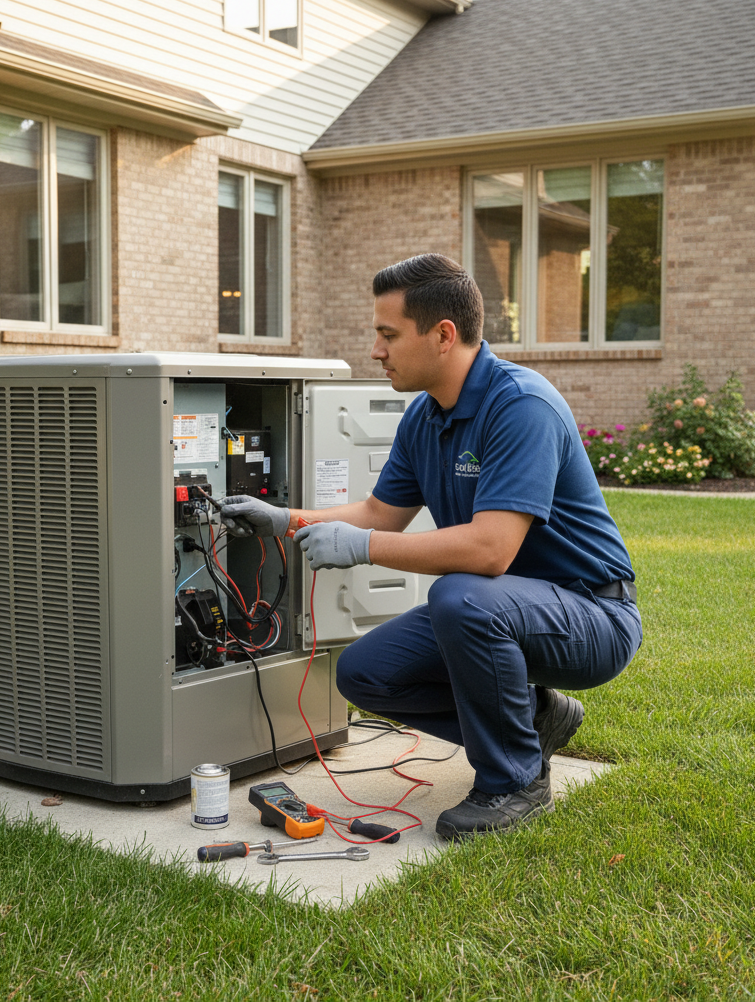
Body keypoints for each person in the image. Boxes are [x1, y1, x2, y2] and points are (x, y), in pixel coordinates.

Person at [220, 253, 642, 840]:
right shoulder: (424, 416)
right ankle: (537, 719)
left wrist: (362, 547)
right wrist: (283, 519)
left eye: (388, 335)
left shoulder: (520, 405)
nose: (377, 350)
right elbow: (378, 514)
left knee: (461, 596)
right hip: (509, 607)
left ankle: (514, 782)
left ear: (443, 335)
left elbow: (490, 550)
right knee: (366, 674)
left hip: (593, 614)